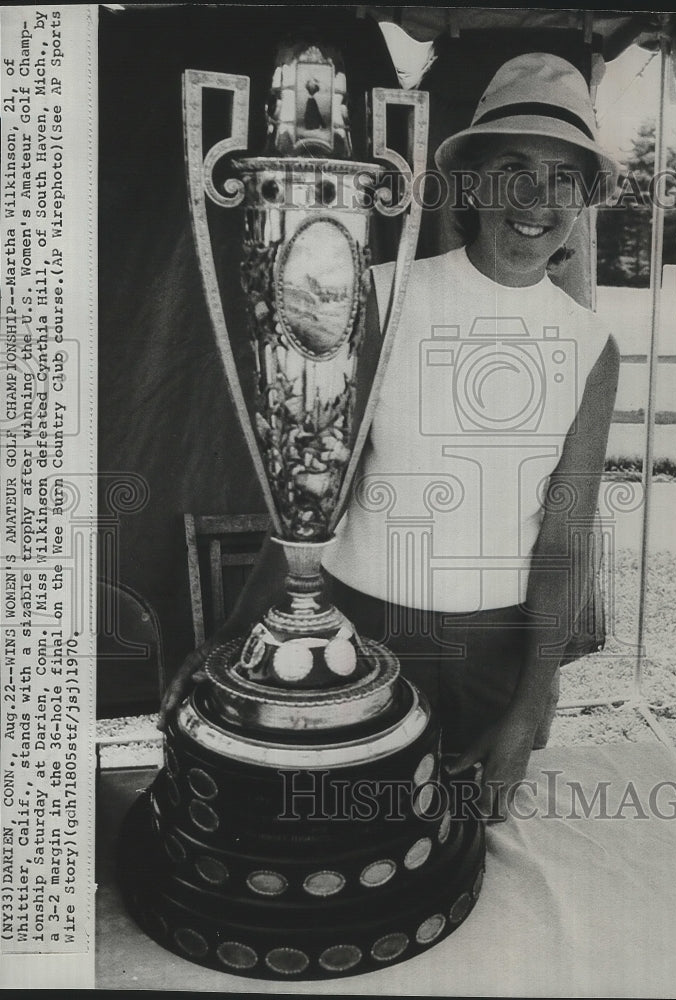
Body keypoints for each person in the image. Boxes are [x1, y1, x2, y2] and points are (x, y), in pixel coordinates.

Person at [159, 53, 621, 821]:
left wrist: (530, 703)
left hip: (489, 658)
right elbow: (307, 483)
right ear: (470, 181)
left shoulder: (589, 347)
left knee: (455, 863)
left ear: (584, 199)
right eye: (512, 167)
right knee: (332, 843)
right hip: (353, 635)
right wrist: (229, 646)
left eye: (563, 177)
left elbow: (565, 540)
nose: (535, 199)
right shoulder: (378, 294)